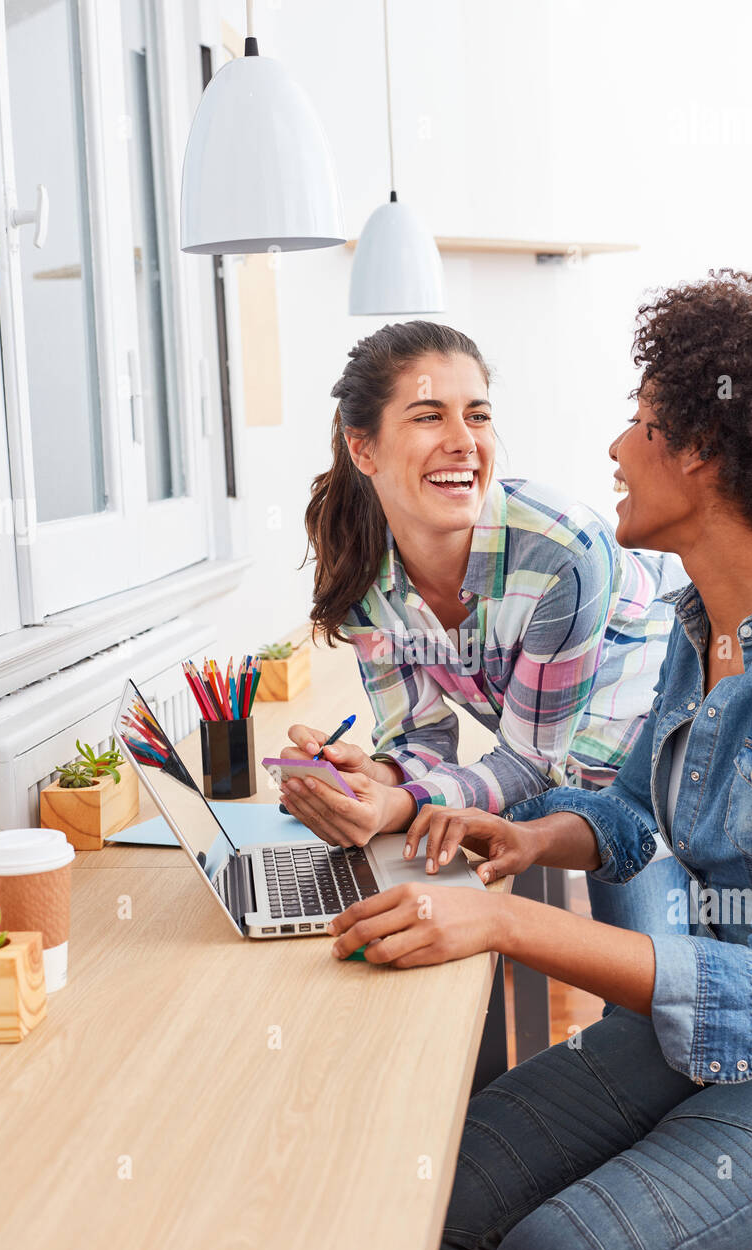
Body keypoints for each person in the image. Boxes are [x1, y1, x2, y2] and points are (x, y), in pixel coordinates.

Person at [326, 271, 752, 1250]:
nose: (614, 450)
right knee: (425, 1186)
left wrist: (502, 926)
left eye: (641, 424)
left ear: (702, 455)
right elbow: (625, 813)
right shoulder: (696, 625)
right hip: (702, 1025)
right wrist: (533, 837)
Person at [280, 319, 688, 937]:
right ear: (363, 448)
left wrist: (398, 806)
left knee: (662, 1001)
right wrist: (366, 779)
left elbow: (529, 763)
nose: (463, 441)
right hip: (559, 779)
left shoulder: (559, 551)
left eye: (477, 415)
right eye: (428, 416)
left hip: (658, 763)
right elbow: (420, 740)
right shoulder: (364, 572)